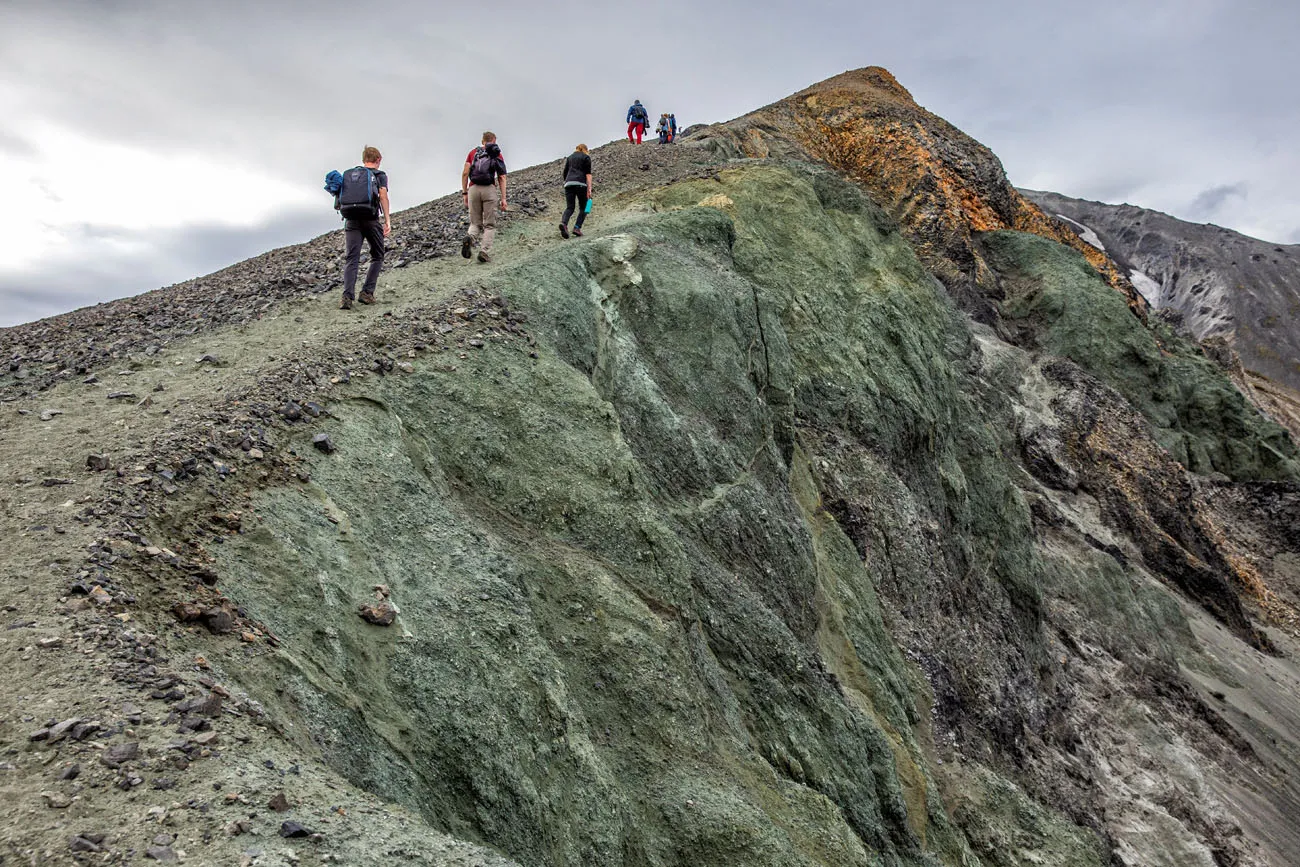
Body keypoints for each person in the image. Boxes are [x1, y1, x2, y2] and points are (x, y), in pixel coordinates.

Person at [339, 146, 390, 310]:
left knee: (351, 258)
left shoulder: (351, 175)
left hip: (351, 220)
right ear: (379, 159)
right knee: (378, 254)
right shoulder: (379, 175)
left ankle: (347, 297)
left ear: (364, 159)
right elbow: (383, 195)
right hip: (370, 218)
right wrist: (387, 220)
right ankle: (367, 293)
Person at [460, 132, 508, 263]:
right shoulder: (496, 153)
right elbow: (502, 177)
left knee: (475, 223)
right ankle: (484, 251)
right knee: (489, 225)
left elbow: (465, 173)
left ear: (482, 141)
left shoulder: (473, 153)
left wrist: (465, 193)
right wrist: (503, 198)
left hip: (473, 189)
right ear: (494, 140)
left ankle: (470, 238)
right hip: (489, 189)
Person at [559, 144, 593, 239]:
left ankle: (564, 224)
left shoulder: (570, 158)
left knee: (570, 207)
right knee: (585, 207)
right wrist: (589, 190)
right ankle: (577, 228)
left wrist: (568, 182)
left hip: (568, 184)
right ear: (585, 150)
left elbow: (565, 173)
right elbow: (588, 175)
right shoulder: (586, 157)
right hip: (581, 184)